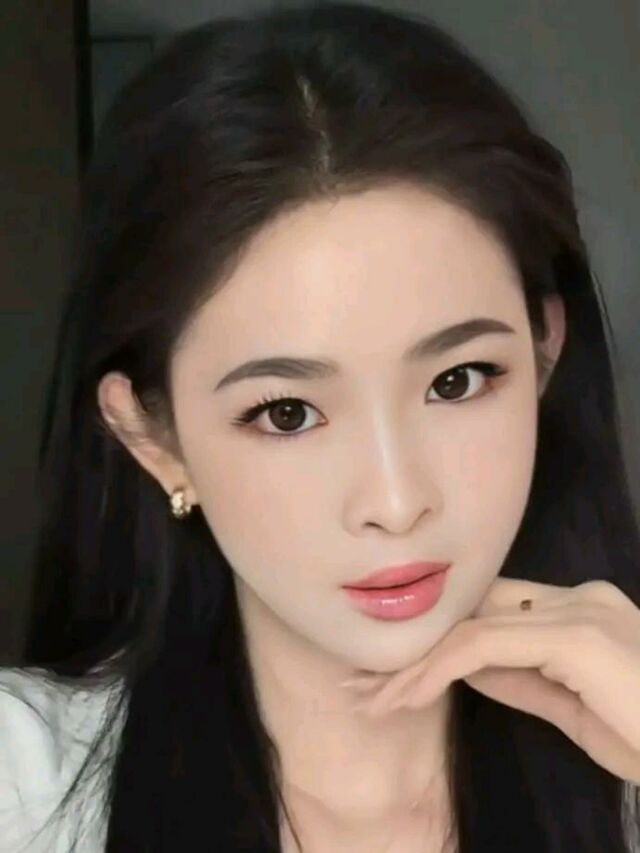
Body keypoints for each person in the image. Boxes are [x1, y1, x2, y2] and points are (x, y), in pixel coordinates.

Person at [1, 1, 639, 850]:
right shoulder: (23, 788)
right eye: (288, 413)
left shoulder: (626, 748)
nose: (396, 501)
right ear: (154, 435)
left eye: (456, 380)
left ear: (543, 351)